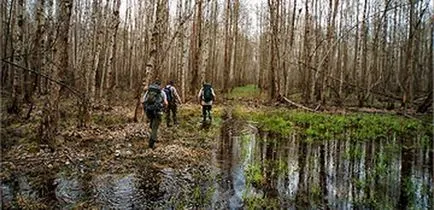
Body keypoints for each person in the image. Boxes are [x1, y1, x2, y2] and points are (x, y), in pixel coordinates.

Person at [142, 80, 168, 149]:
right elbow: (166, 103)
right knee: (155, 127)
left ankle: (153, 135)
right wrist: (164, 108)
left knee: (153, 124)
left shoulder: (149, 91)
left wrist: (146, 109)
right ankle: (152, 143)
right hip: (158, 112)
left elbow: (143, 100)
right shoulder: (162, 92)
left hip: (149, 111)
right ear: (160, 85)